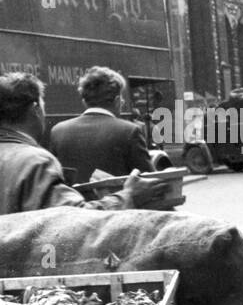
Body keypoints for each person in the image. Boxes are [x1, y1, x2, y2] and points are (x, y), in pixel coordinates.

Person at [0, 73, 164, 214]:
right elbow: (74, 219)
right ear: (35, 109)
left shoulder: (57, 131)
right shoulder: (35, 162)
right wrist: (129, 195)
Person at [48, 66, 154, 184]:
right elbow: (148, 180)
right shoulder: (130, 131)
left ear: (84, 102)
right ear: (118, 101)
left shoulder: (58, 131)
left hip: (72, 202)